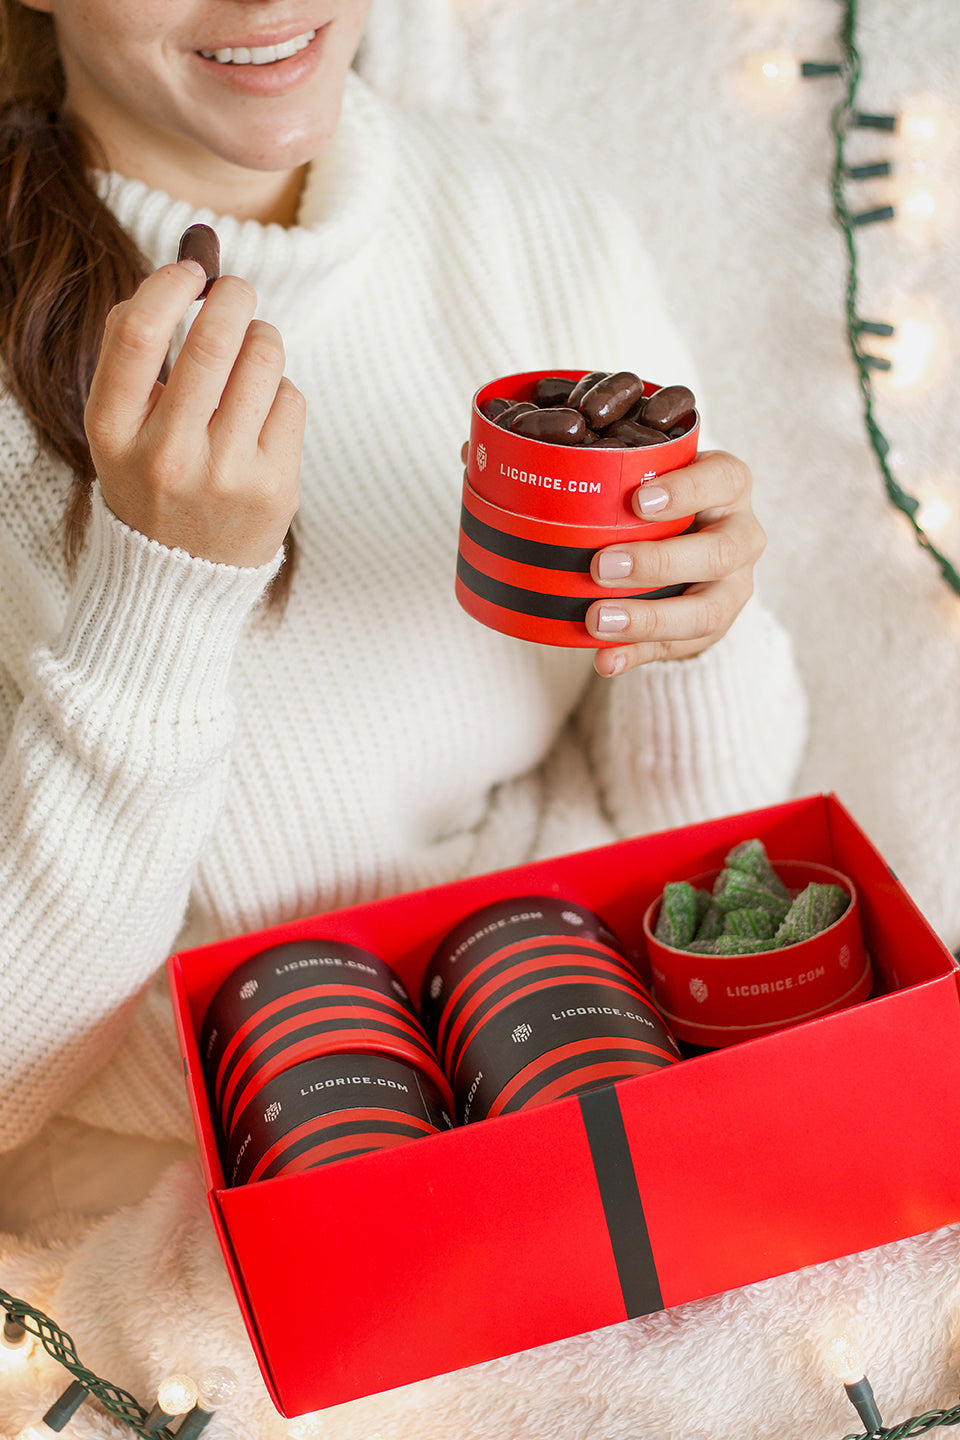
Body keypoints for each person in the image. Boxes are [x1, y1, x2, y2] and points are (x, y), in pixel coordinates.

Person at [0, 0, 807, 1426]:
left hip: (611, 1117)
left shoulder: (527, 218)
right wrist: (159, 600)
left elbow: (694, 863)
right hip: (223, 1266)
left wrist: (697, 636)